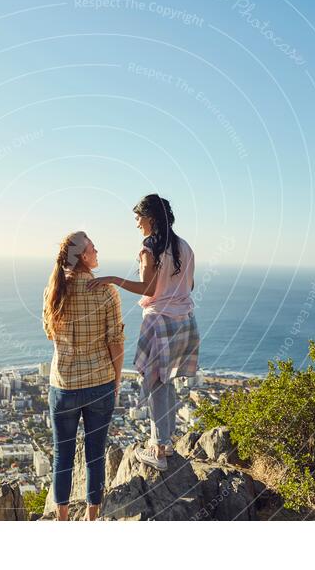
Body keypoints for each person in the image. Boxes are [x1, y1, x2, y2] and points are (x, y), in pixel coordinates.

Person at [88, 194, 199, 472]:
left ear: (150, 218)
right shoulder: (184, 247)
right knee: (167, 382)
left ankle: (158, 450)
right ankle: (166, 441)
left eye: (138, 217)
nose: (137, 223)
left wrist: (113, 278)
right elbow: (190, 285)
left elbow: (148, 290)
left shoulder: (149, 248)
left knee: (156, 384)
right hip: (184, 321)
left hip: (159, 322)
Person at [43, 231, 125, 520]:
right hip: (99, 383)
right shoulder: (105, 291)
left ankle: (62, 519)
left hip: (63, 384)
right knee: (95, 455)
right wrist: (116, 380)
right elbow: (116, 340)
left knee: (62, 456)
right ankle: (92, 518)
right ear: (82, 257)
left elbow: (48, 331)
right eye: (92, 247)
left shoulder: (55, 289)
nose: (97, 250)